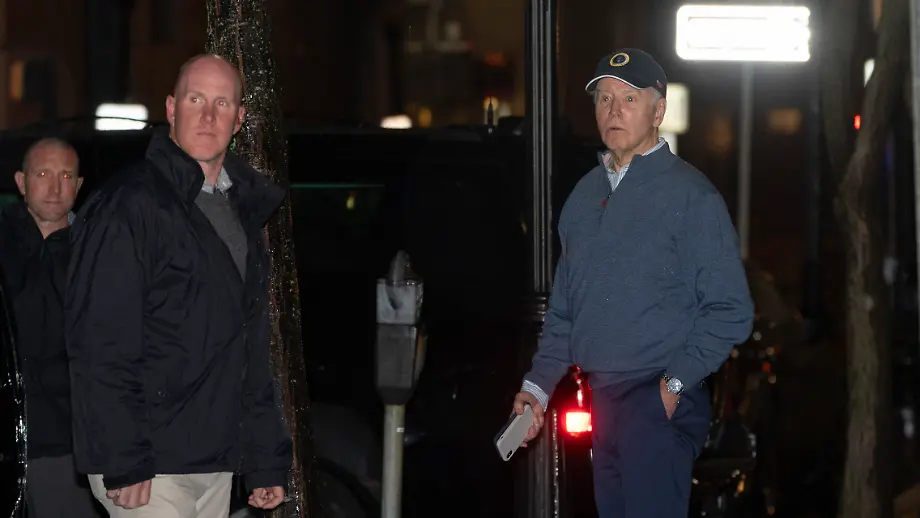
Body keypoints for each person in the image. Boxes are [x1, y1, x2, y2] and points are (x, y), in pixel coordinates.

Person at [512, 48, 754, 517]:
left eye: (628, 99)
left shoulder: (692, 196)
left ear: (658, 111)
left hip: (655, 400)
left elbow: (731, 310)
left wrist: (671, 386)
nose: (614, 110)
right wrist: (537, 389)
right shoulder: (584, 197)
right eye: (604, 99)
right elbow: (564, 312)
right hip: (602, 401)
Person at [65, 54, 291, 517]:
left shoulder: (242, 210)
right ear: (171, 109)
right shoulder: (129, 206)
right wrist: (124, 456)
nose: (208, 115)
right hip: (149, 460)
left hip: (213, 458)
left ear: (239, 118)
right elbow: (99, 340)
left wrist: (264, 458)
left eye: (222, 103)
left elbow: (249, 349)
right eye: (195, 99)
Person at [0, 138, 100, 518]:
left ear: (79, 185)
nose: (55, 187)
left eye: (66, 176)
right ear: (21, 182)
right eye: (43, 174)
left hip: (69, 446)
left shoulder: (96, 252)